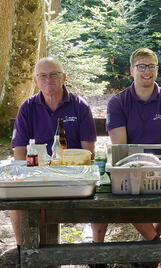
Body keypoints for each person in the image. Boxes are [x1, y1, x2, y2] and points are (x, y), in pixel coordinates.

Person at [91, 48, 161, 267]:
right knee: (124, 202)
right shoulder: (118, 102)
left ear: (157, 70)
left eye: (151, 66)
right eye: (141, 66)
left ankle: (149, 244)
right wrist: (140, 168)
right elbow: (121, 149)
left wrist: (157, 168)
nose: (146, 71)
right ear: (132, 70)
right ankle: (154, 247)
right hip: (129, 169)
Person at [11, 57, 97, 262]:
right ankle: (26, 254)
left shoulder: (79, 106)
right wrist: (26, 177)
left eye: (54, 74)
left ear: (63, 77)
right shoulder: (28, 108)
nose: (48, 80)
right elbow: (20, 151)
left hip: (72, 176)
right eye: (42, 76)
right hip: (38, 175)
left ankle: (53, 259)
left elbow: (88, 152)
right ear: (35, 80)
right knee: (16, 202)